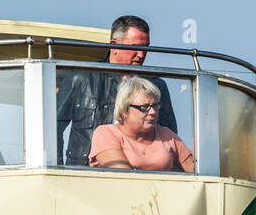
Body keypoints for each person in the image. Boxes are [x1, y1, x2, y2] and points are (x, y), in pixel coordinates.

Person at [57, 14, 179, 167]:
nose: (141, 55)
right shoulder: (80, 79)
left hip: (140, 178)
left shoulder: (157, 86)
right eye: (136, 48)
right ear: (114, 45)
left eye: (146, 48)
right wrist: (58, 171)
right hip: (85, 177)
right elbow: (52, 128)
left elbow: (171, 138)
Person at [89, 78, 194, 172]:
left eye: (155, 106)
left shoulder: (168, 136)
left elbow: (196, 173)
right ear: (124, 111)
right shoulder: (106, 134)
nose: (153, 112)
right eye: (144, 107)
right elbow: (124, 177)